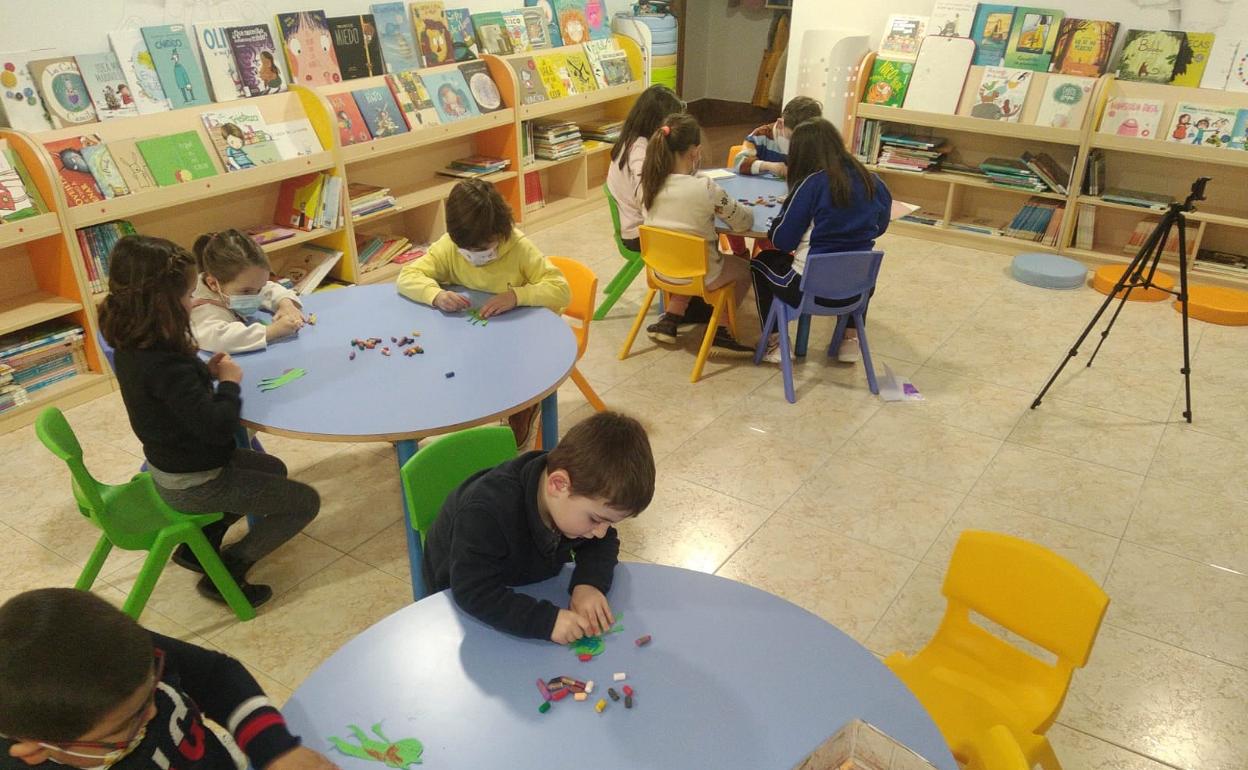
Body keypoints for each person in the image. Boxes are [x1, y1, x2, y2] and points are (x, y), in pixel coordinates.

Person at [100, 235, 319, 607]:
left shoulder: (134, 343)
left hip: (172, 465)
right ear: (161, 303)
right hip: (194, 480)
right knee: (305, 502)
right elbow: (219, 427)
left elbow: (168, 396)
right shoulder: (167, 363)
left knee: (273, 468)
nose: (193, 301)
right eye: (187, 296)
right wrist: (229, 384)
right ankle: (227, 570)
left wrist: (203, 371)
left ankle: (199, 546)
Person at [0, 588, 337, 770]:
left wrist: (274, 751)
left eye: (153, 687)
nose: (153, 712)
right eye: (125, 727)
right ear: (36, 749)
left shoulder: (116, 655)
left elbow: (216, 676)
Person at [422, 411, 655, 643]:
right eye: (596, 519)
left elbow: (603, 542)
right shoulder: (485, 512)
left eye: (610, 522)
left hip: (523, 585)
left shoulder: (574, 493)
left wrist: (589, 584)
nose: (601, 531)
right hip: (458, 601)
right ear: (558, 484)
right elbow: (473, 591)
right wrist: (546, 621)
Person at [396, 179, 570, 448]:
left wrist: (516, 296)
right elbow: (408, 275)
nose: (477, 255)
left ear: (502, 232)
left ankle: (523, 406)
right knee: (435, 362)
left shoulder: (519, 248)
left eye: (485, 247)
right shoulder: (449, 247)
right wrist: (437, 295)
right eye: (469, 250)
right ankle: (424, 418)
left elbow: (560, 290)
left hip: (523, 343)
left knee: (508, 373)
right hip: (473, 339)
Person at [750, 118, 892, 364]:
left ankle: (775, 342)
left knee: (761, 263)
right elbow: (879, 227)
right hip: (857, 289)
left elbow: (783, 241)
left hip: (809, 288)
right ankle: (850, 339)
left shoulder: (812, 184)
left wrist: (776, 225)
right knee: (856, 263)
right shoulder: (873, 181)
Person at [639, 114, 755, 355]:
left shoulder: (647, 185)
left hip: (660, 270)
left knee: (685, 254)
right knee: (745, 269)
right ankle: (721, 330)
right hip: (699, 273)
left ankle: (672, 316)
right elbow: (743, 223)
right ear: (695, 152)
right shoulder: (705, 187)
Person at [190, 229, 304, 354]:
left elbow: (269, 288)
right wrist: (272, 331)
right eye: (246, 291)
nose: (255, 296)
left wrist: (285, 303)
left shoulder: (241, 283)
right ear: (213, 284)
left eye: (259, 288)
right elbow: (222, 339)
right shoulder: (202, 309)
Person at [606, 84, 685, 253]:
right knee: (698, 232)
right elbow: (646, 196)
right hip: (640, 233)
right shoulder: (639, 151)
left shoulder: (633, 141)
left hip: (641, 226)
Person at [731, 96, 823, 179]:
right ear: (780, 124)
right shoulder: (760, 135)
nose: (796, 143)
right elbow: (739, 162)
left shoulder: (812, 140)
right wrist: (769, 166)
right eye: (791, 137)